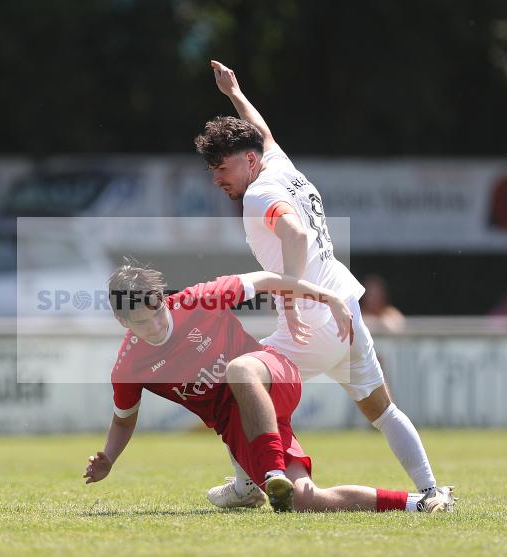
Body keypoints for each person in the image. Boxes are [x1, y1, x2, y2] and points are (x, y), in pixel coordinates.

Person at [194, 60, 443, 508]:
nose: (216, 178)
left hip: (309, 325)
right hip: (345, 311)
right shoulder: (278, 164)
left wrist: (289, 303)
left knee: (237, 381)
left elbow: (295, 235)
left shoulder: (259, 194)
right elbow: (263, 132)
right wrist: (234, 93)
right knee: (383, 411)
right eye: (211, 169)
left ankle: (247, 486)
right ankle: (431, 491)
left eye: (221, 167)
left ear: (248, 160)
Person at [83, 260, 455, 514]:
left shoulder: (197, 300)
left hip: (271, 374)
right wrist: (109, 458)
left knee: (238, 369)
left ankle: (269, 474)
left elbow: (266, 280)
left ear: (163, 300)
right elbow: (123, 419)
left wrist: (326, 296)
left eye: (157, 313)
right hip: (238, 424)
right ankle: (419, 503)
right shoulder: (129, 366)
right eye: (142, 323)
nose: (155, 326)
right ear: (122, 321)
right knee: (305, 500)